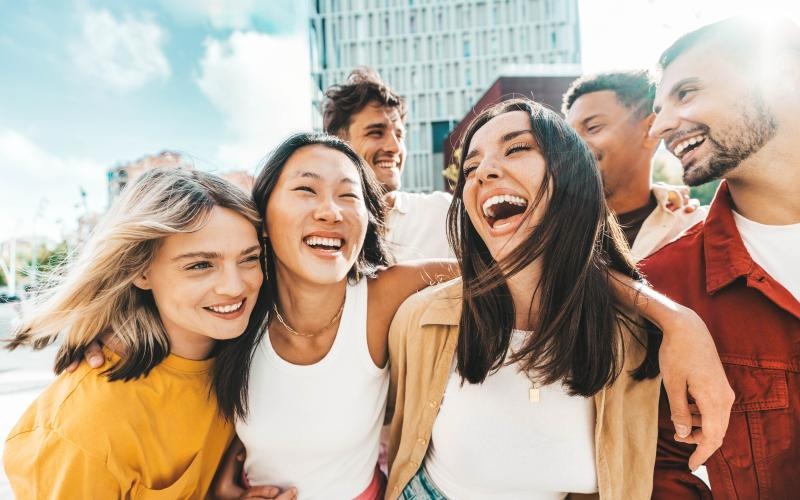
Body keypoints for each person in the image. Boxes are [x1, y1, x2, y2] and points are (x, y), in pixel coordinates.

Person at [3, 169, 268, 498]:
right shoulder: (86, 427)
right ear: (140, 272)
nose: (235, 286)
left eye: (250, 258)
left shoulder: (249, 358)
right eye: (200, 265)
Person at [224, 132, 457, 499]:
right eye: (306, 190)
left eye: (349, 195)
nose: (331, 212)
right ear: (264, 220)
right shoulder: (236, 307)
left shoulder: (381, 296)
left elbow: (503, 272)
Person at [643, 17, 800, 499]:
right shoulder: (664, 286)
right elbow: (664, 470)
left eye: (685, 93)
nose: (659, 126)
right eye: (658, 107)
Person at [563, 70, 706, 261]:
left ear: (650, 130)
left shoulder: (697, 228)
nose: (574, 146)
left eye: (592, 128)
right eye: (568, 137)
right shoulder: (546, 235)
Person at [323, 67, 453, 262]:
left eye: (399, 135)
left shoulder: (444, 213)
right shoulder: (323, 229)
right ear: (339, 144)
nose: (395, 147)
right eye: (376, 132)